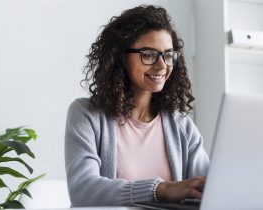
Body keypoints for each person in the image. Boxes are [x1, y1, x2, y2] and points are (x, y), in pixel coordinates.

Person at [64, 5, 209, 207]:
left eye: (168, 55)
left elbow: (208, 188)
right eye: (148, 54)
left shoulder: (181, 125)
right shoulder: (86, 115)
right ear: (120, 56)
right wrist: (161, 190)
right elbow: (83, 190)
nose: (162, 66)